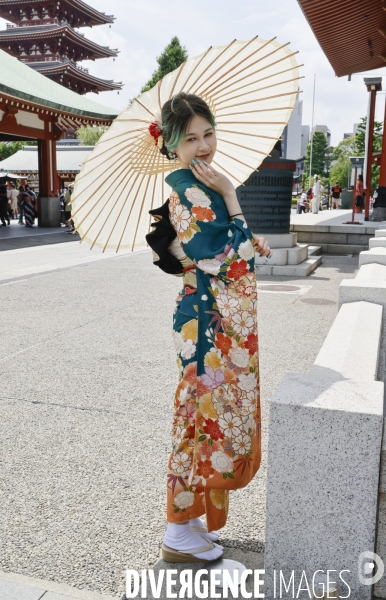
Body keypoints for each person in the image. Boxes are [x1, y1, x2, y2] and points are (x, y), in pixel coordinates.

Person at [151, 93, 271, 563]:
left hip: (206, 311)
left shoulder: (195, 183)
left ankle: (193, 520)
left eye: (208, 134)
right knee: (196, 415)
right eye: (190, 139)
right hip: (206, 319)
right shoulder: (189, 187)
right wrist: (232, 199)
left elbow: (226, 245)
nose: (202, 146)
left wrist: (243, 231)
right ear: (171, 145)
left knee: (208, 414)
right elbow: (219, 255)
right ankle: (177, 529)